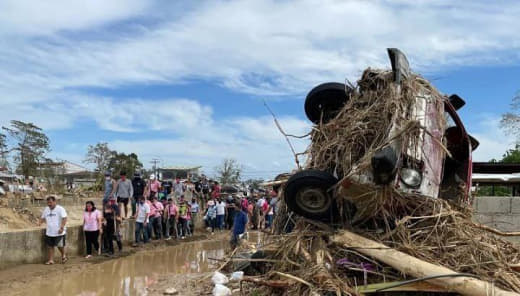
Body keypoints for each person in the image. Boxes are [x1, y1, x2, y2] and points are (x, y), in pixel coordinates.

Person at [40, 196, 68, 265]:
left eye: (50, 202)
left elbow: (64, 218)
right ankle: (51, 260)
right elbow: (43, 217)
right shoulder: (46, 209)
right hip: (49, 232)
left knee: (60, 246)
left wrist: (61, 228)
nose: (49, 204)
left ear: (55, 202)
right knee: (50, 246)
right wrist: (39, 222)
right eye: (48, 203)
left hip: (59, 232)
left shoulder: (60, 209)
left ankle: (63, 255)